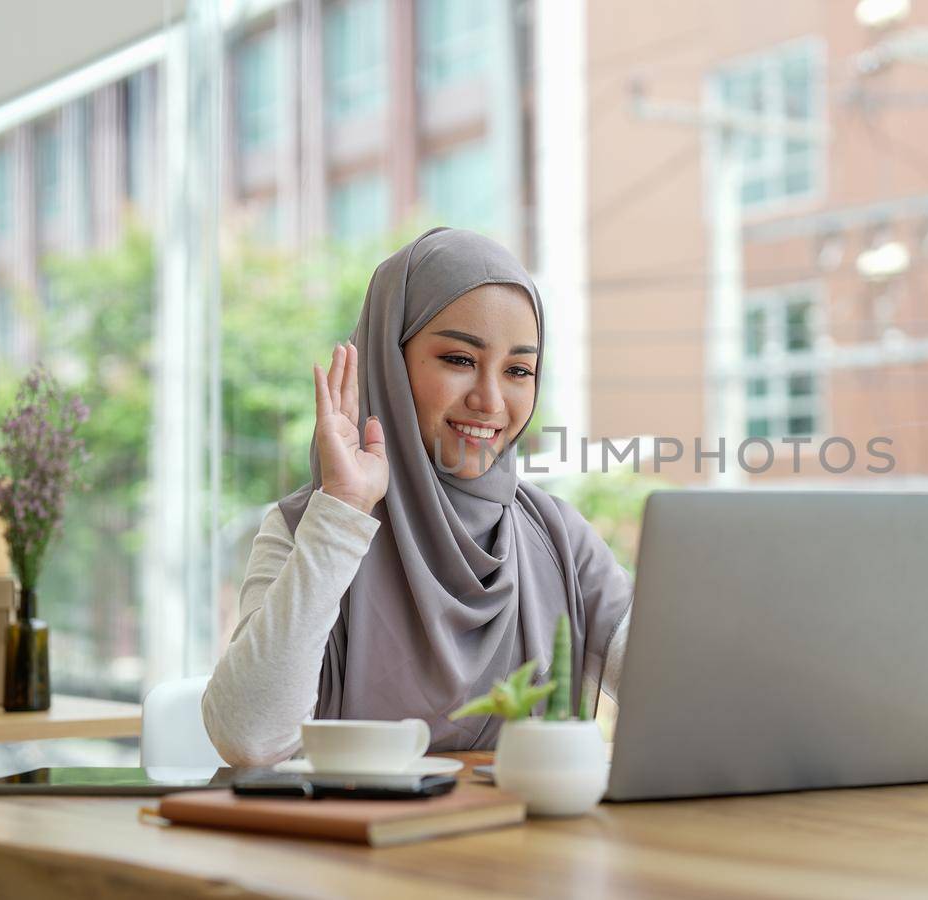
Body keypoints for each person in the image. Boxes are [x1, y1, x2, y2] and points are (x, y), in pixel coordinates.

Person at [203, 228, 632, 767]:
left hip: (517, 845)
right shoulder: (306, 527)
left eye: (519, 370)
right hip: (348, 845)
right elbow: (249, 736)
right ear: (390, 360)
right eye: (458, 359)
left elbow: (676, 679)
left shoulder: (553, 536)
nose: (490, 400)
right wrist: (343, 512)